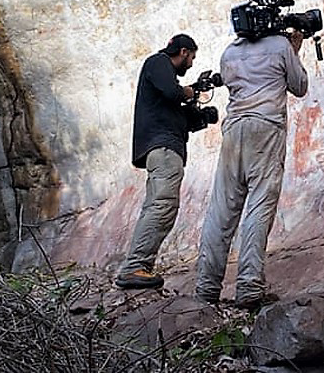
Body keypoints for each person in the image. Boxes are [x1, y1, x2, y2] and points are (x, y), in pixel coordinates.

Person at [194, 28, 308, 307]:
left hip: (234, 130)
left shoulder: (229, 53)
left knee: (221, 209)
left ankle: (206, 289)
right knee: (259, 206)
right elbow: (299, 86)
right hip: (266, 128)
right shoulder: (281, 45)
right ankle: (249, 288)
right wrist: (294, 50)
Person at [114, 33, 199, 289]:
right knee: (162, 205)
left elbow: (174, 107)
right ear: (183, 52)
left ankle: (139, 266)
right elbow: (172, 92)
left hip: (163, 147)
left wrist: (199, 115)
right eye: (192, 57)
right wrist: (188, 91)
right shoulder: (158, 62)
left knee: (157, 206)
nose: (192, 64)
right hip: (163, 149)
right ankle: (134, 267)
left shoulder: (163, 84)